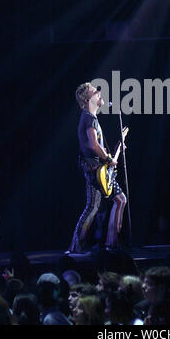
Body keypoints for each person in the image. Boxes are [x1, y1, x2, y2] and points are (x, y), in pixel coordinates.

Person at [68, 82, 126, 253]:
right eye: (95, 92)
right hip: (94, 170)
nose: (99, 93)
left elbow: (95, 145)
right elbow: (93, 145)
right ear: (86, 100)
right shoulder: (88, 118)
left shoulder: (91, 118)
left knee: (119, 199)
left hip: (99, 169)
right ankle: (76, 246)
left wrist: (114, 153)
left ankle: (111, 243)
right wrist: (108, 158)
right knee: (93, 206)